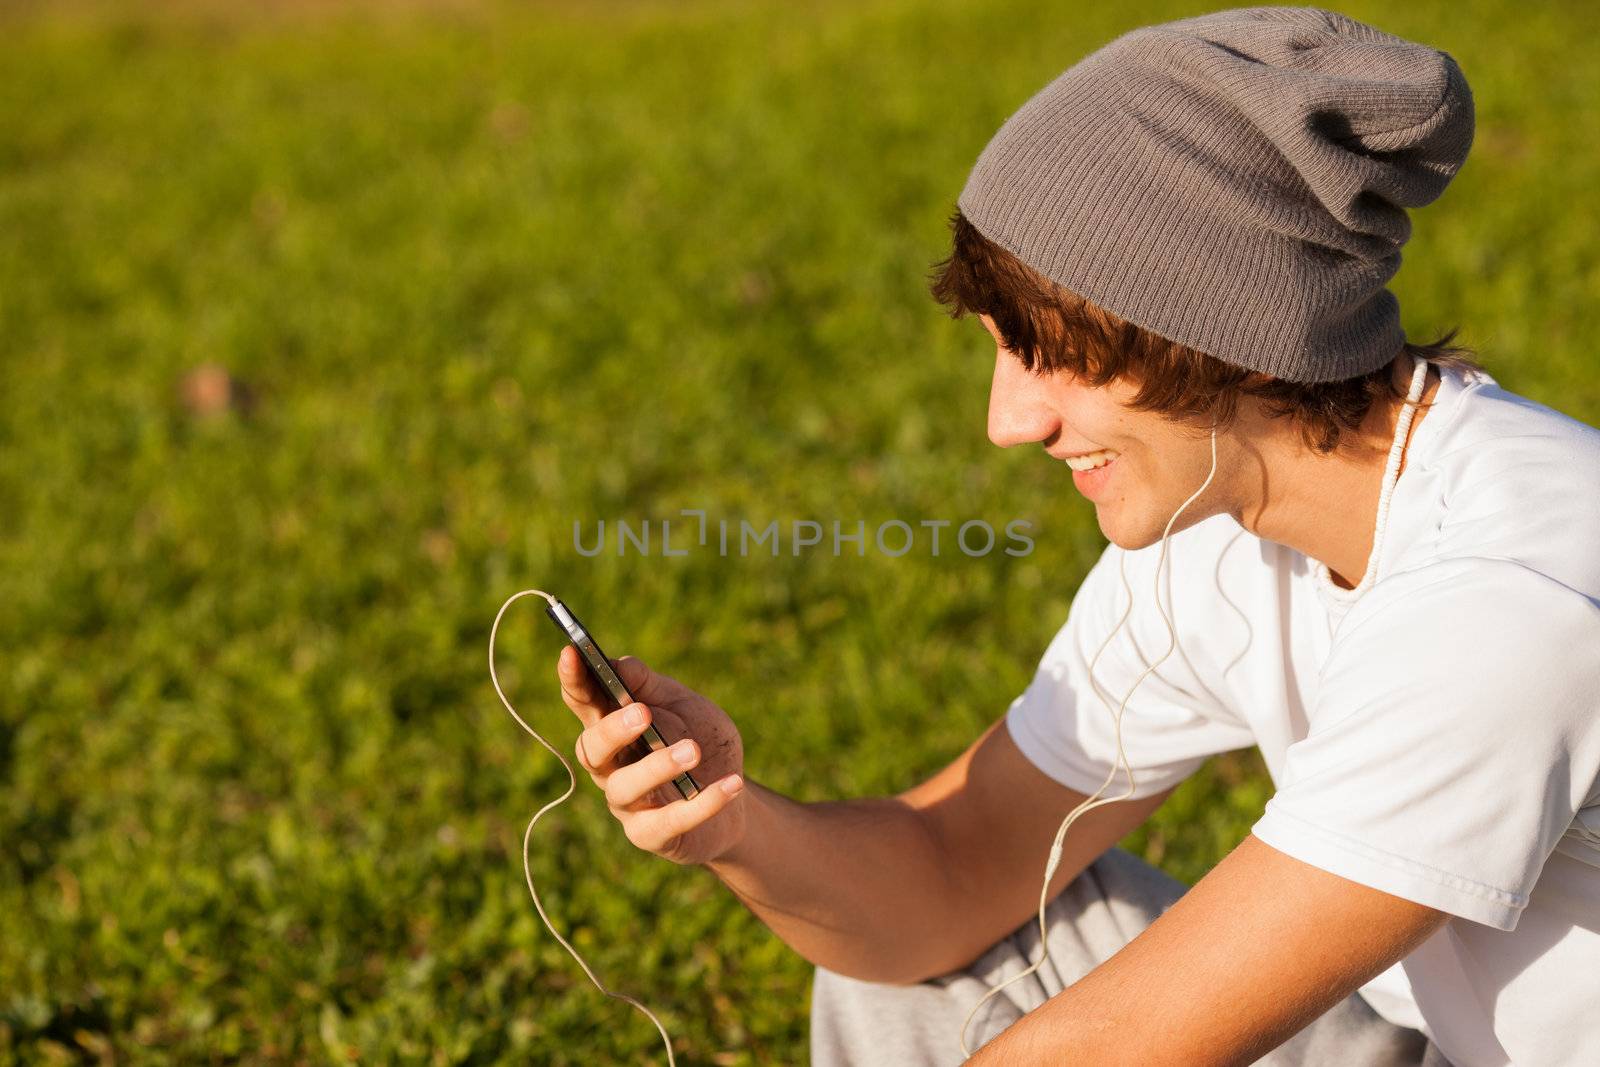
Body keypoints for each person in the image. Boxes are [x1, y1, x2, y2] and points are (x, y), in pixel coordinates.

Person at [554, 7, 1600, 1065]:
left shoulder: (1509, 594)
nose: (1007, 422)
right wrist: (735, 827)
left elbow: (1120, 1049)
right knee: (944, 962)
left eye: (1050, 353)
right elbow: (951, 869)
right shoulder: (1216, 527)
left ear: (1216, 323)